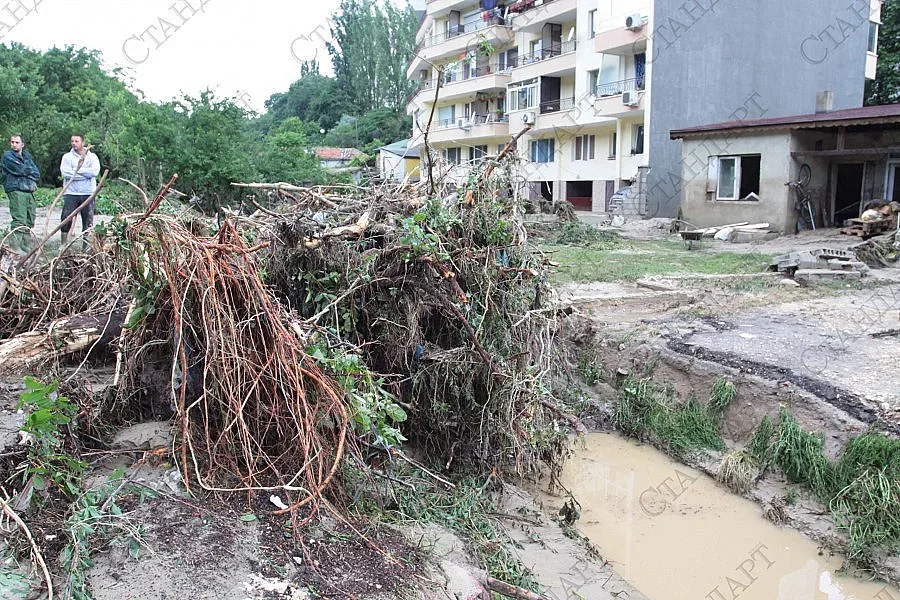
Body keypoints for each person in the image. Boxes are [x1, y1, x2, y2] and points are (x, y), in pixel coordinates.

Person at [1, 134, 40, 253]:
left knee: (29, 219)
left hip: (29, 190)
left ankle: (25, 247)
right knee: (19, 220)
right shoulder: (8, 156)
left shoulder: (27, 156)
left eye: (17, 142)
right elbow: (19, 170)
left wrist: (26, 170)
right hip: (16, 189)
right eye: (12, 142)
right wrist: (27, 170)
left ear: (22, 144)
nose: (14, 144)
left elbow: (36, 173)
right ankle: (15, 248)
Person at [59, 134, 100, 244]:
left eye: (76, 141)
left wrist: (77, 170)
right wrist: (85, 173)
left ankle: (86, 246)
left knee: (87, 220)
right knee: (66, 218)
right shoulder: (67, 157)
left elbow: (94, 172)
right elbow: (65, 173)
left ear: (83, 142)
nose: (73, 143)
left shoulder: (92, 157)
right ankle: (63, 245)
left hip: (88, 193)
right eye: (72, 141)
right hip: (71, 192)